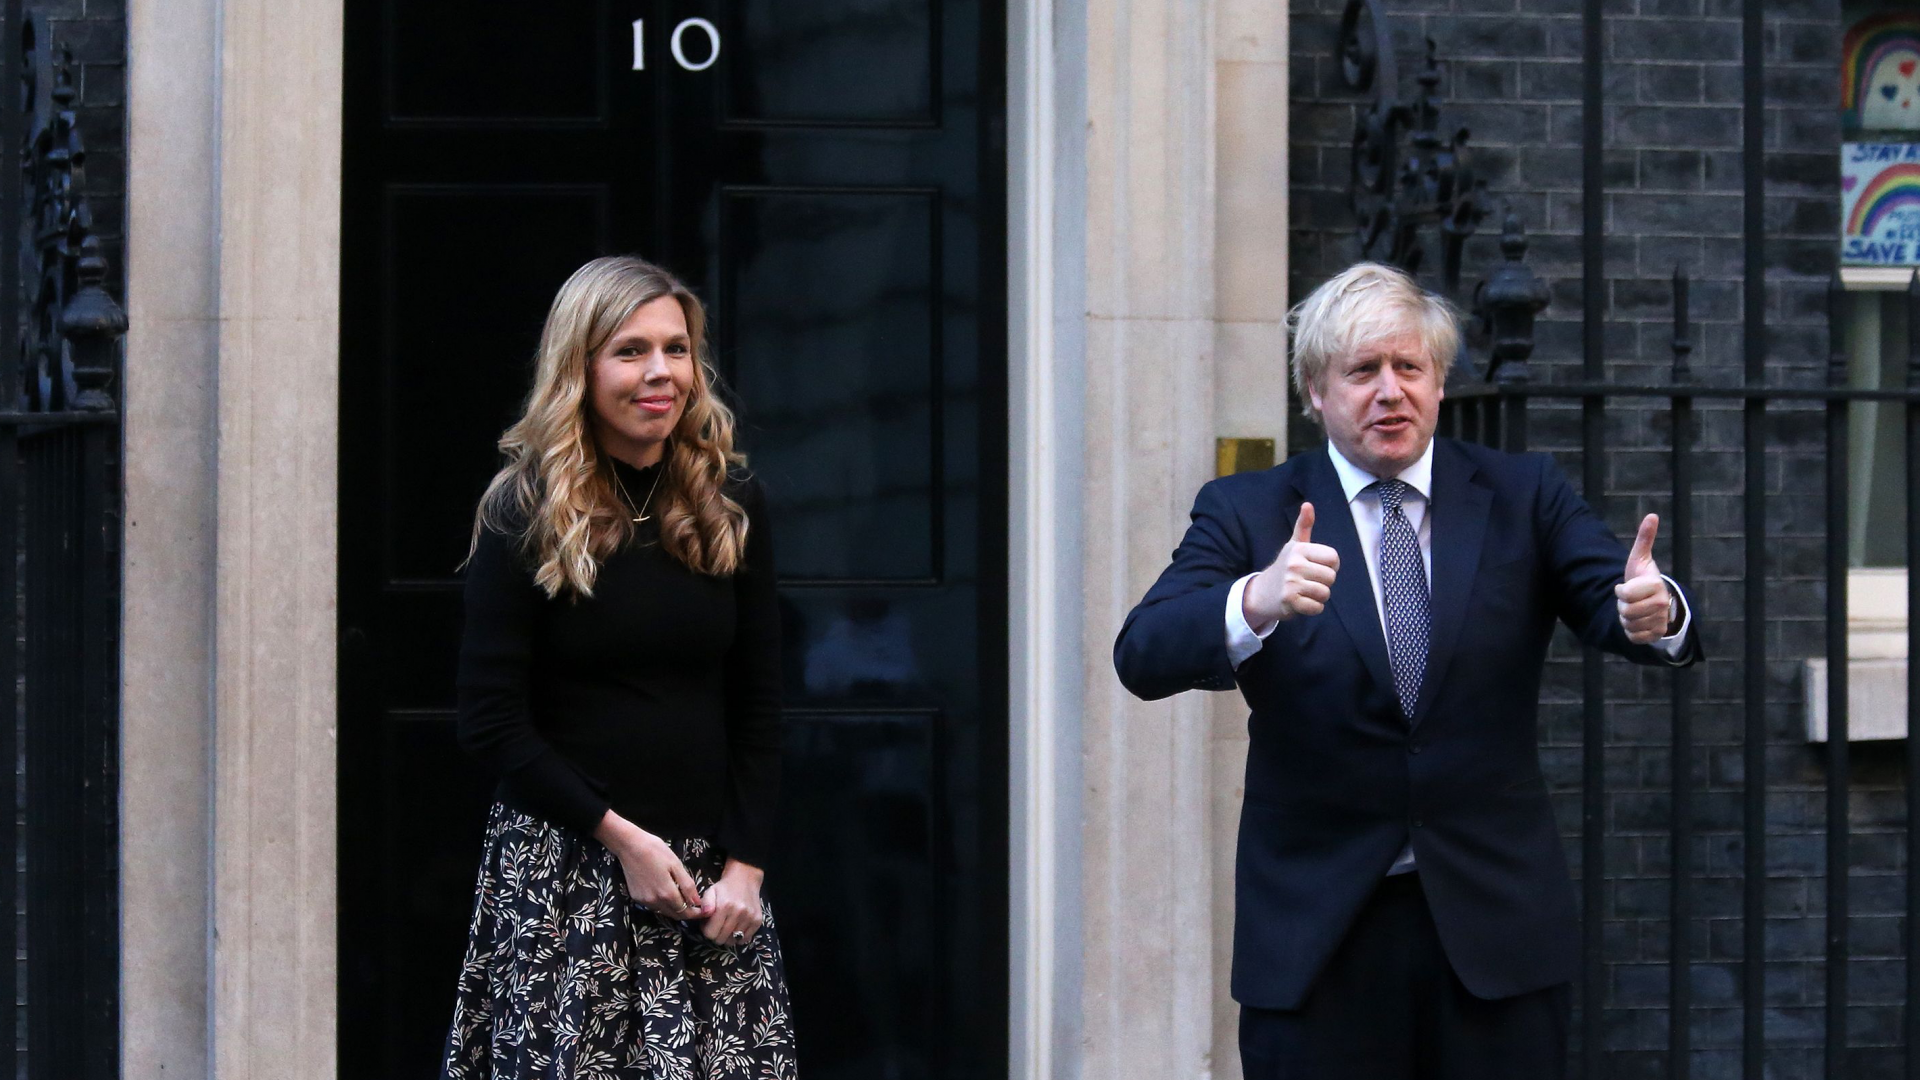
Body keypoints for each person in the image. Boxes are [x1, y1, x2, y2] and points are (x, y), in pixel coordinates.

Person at [1112, 262, 1700, 1080]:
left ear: (1438, 381)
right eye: (1362, 371)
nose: (1389, 391)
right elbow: (1142, 653)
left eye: (1408, 368)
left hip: (1494, 937)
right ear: (1315, 391)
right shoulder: (1247, 511)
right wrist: (1254, 599)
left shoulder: (1522, 492)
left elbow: (1614, 593)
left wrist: (1656, 610)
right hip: (1319, 941)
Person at [440, 255, 795, 1080]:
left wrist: (746, 865)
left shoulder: (729, 503)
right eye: (631, 351)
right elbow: (490, 721)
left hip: (709, 886)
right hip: (567, 875)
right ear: (582, 365)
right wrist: (623, 840)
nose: (661, 374)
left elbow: (759, 701)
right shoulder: (523, 507)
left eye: (676, 349)